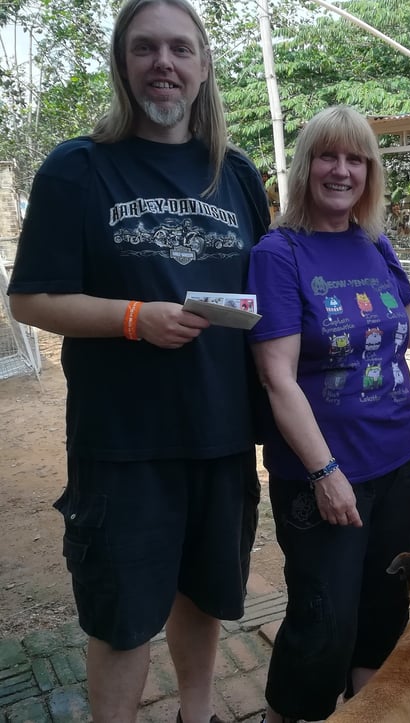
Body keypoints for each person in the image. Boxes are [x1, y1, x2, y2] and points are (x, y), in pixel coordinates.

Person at [7, 1, 270, 721]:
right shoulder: (78, 168)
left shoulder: (236, 173)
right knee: (120, 616)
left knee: (206, 593)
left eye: (181, 49)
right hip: (122, 444)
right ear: (123, 63)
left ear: (203, 65)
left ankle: (197, 711)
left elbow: (267, 291)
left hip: (220, 433)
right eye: (146, 48)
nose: (165, 64)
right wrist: (132, 318)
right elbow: (30, 299)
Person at [246, 104, 410, 723]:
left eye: (356, 158)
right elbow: (277, 377)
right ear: (305, 167)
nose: (342, 170)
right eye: (328, 155)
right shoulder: (279, 254)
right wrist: (326, 472)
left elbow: (409, 331)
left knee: (384, 607)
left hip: (401, 457)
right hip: (323, 471)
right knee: (323, 613)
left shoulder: (373, 241)